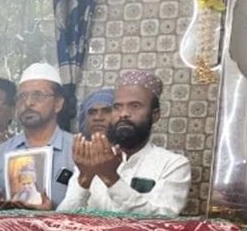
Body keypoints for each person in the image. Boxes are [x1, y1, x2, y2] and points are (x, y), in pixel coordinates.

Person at [58, 71, 192, 216]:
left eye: (135, 106)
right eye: (117, 107)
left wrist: (111, 178)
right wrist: (84, 179)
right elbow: (62, 221)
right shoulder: (92, 160)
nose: (123, 113)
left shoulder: (173, 165)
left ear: (155, 115)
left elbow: (161, 222)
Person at [0, 62, 75, 210]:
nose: (28, 103)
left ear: (58, 103)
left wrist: (52, 214)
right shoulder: (0, 154)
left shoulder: (77, 150)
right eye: (22, 97)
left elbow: (92, 208)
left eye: (38, 96)